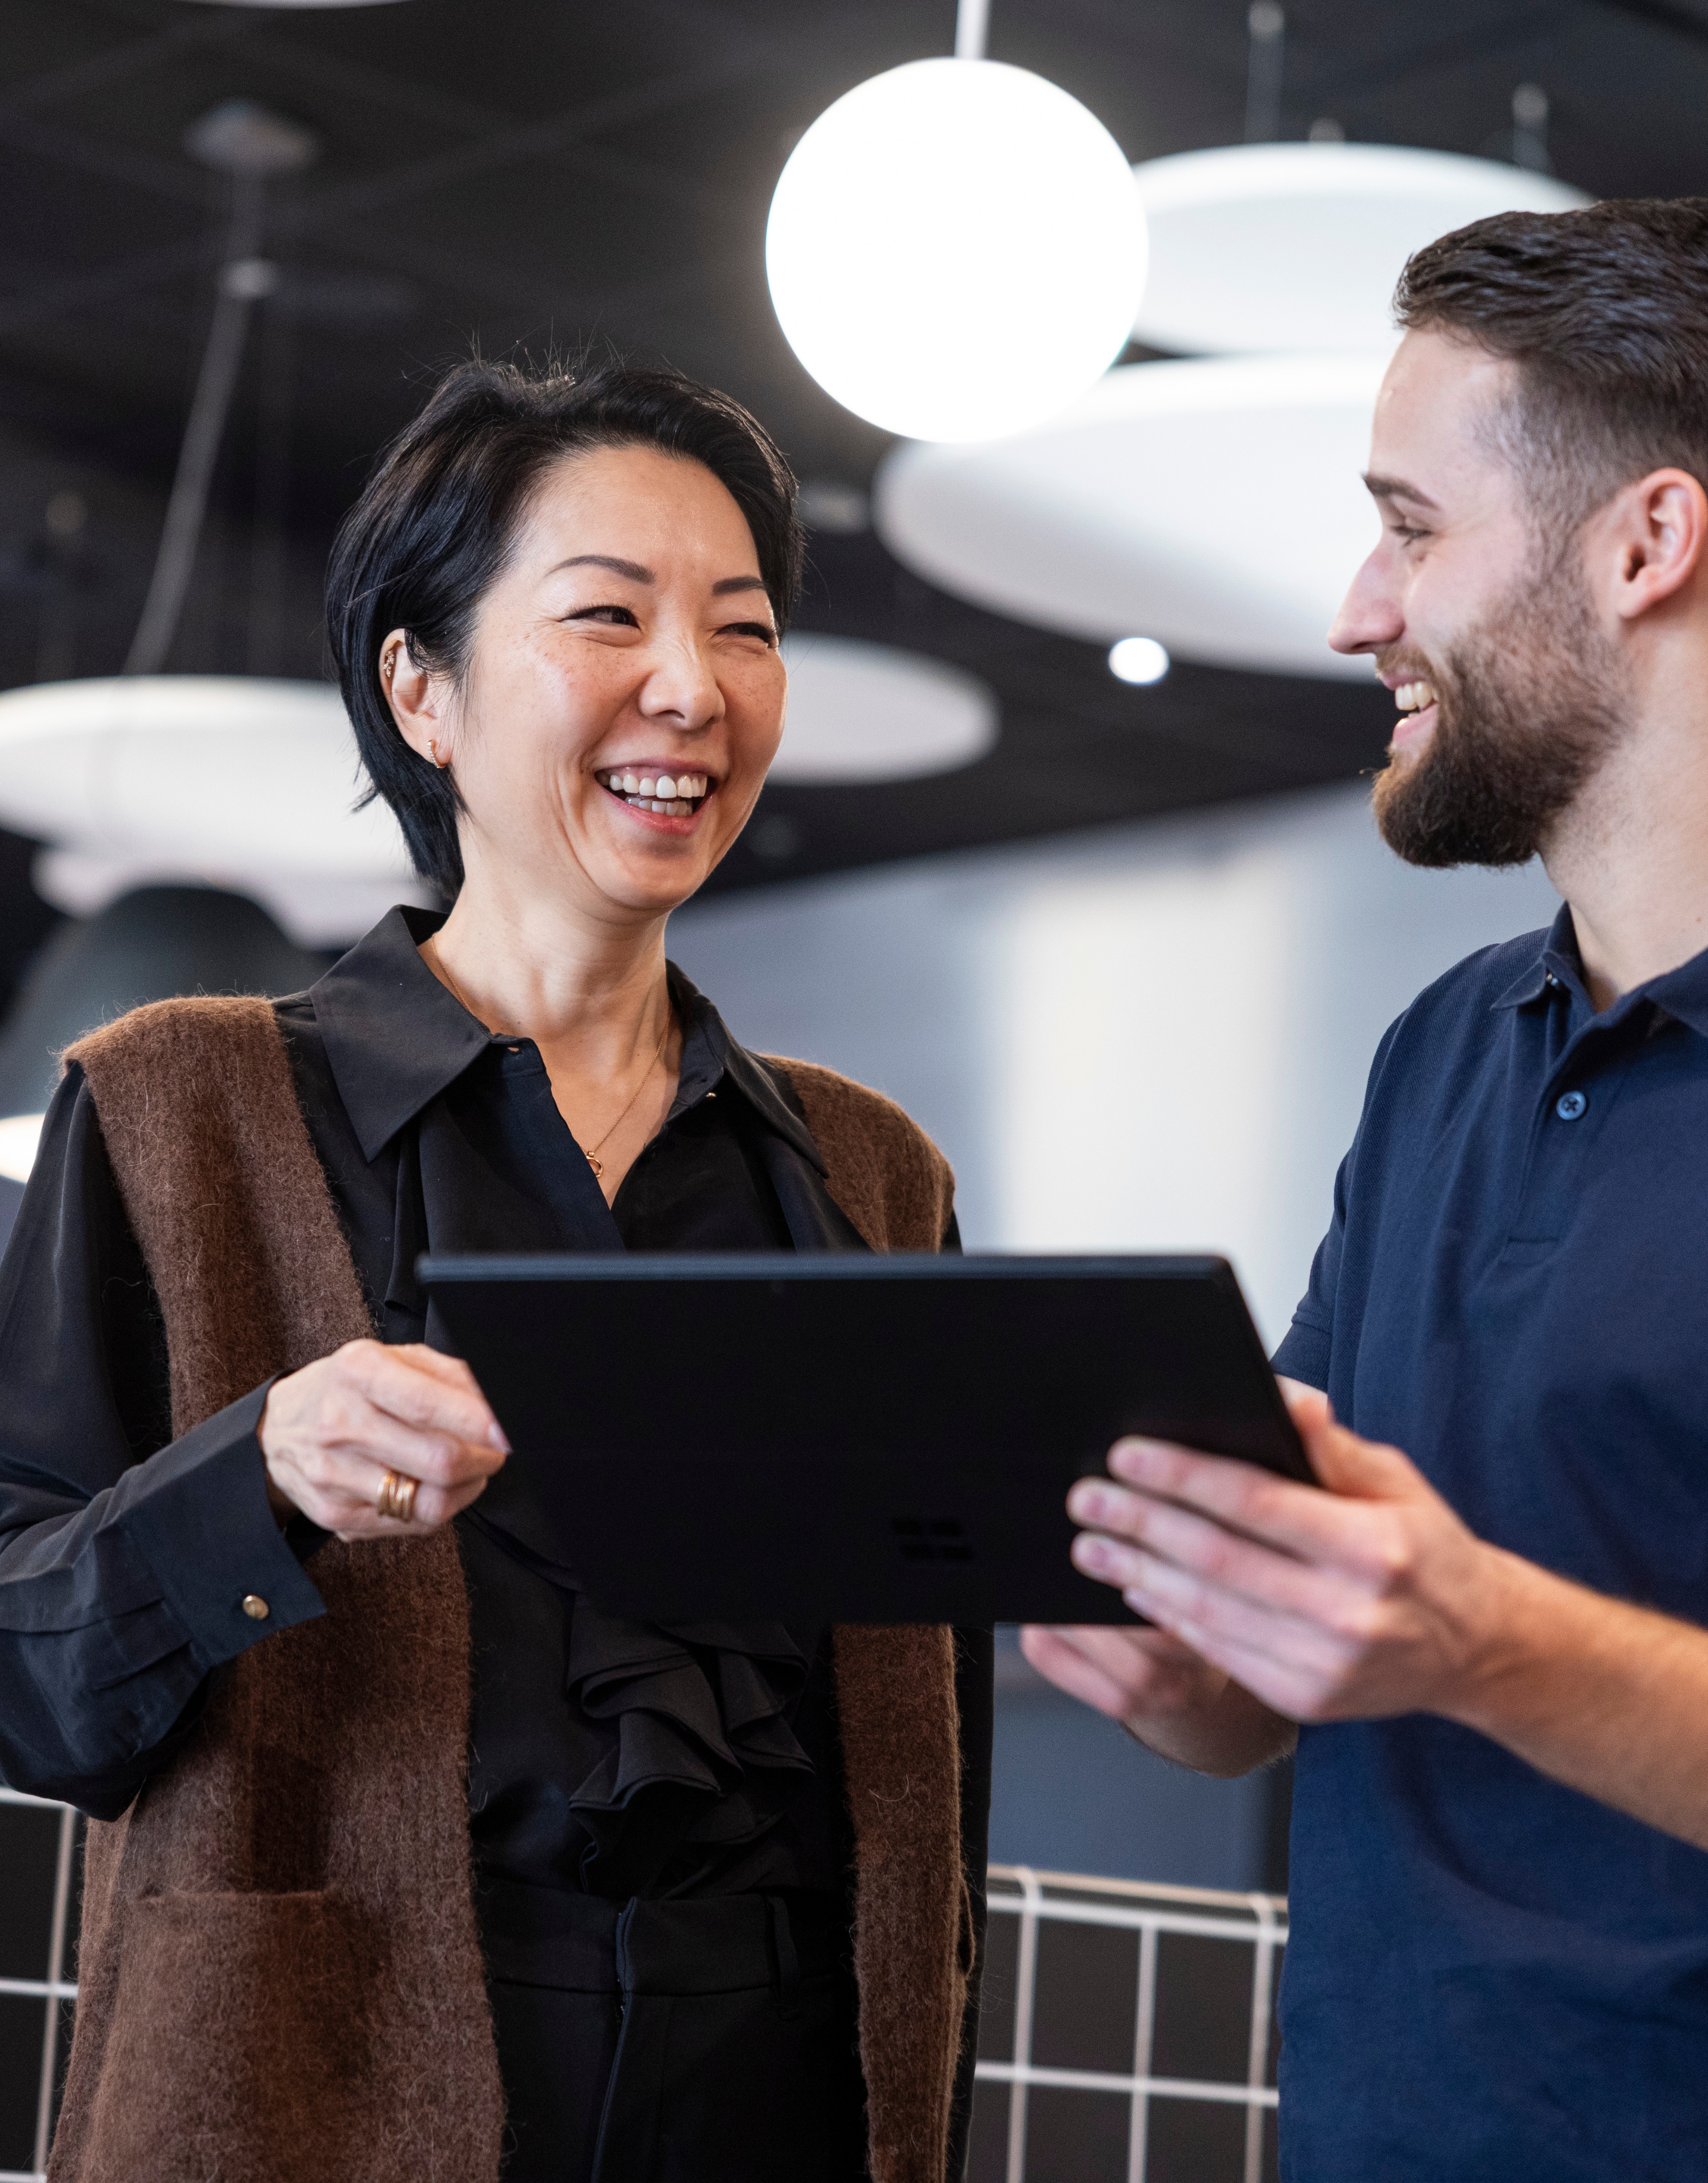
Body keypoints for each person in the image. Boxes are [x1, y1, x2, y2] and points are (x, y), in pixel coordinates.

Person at [0, 359, 990, 2183]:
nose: (690, 688)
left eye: (745, 629)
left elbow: (930, 1761)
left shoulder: (870, 1170)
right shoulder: (176, 1106)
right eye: (608, 614)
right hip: (321, 2071)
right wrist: (259, 1476)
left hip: (777, 2088)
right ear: (421, 687)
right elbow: (23, 1670)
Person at [1022, 197, 1708, 2180]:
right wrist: (1198, 1655)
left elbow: (1452, 1632)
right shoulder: (1444, 1050)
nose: (1358, 607)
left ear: (1644, 545)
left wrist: (1477, 1636)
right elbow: (1292, 1699)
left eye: (1411, 525)